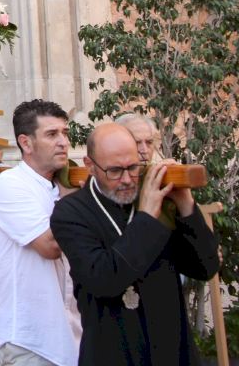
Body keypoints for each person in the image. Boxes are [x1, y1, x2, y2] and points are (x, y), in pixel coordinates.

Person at [50, 123, 219, 365]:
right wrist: (147, 218)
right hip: (112, 352)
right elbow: (104, 278)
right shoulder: (70, 212)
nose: (127, 179)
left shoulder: (160, 202)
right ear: (90, 166)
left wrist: (185, 205)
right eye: (115, 171)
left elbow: (206, 267)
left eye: (133, 167)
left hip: (172, 351)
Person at [0, 99, 78, 366]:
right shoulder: (10, 184)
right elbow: (50, 247)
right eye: (52, 134)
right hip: (29, 341)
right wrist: (74, 200)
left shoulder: (61, 188)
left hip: (70, 335)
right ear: (26, 143)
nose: (63, 142)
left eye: (65, 133)